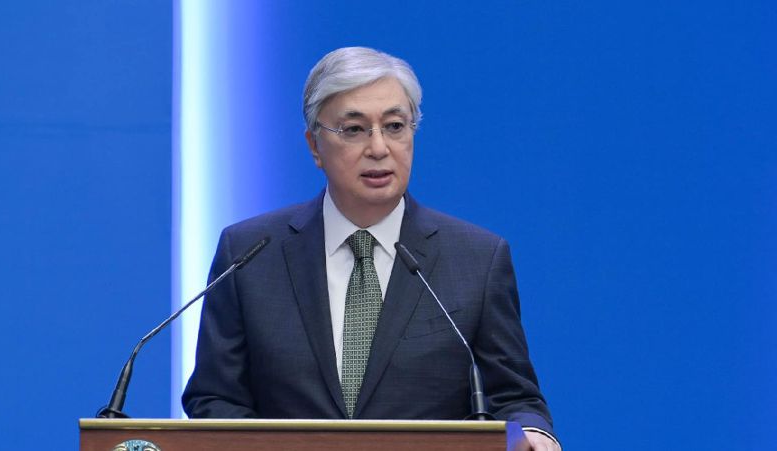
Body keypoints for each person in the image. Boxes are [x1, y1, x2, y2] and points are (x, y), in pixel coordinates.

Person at [183, 47, 560, 450]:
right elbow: (215, 398)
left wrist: (534, 434)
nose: (379, 148)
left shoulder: (476, 259)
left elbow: (514, 398)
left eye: (395, 126)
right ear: (314, 146)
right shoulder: (249, 253)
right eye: (354, 129)